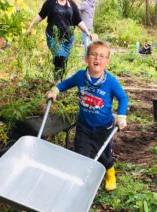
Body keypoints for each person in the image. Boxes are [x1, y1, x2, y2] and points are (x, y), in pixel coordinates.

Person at [46, 40, 128, 191]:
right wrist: (55, 90)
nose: (97, 59)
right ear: (86, 58)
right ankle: (79, 178)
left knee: (103, 155)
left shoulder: (110, 81)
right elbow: (66, 83)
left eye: (102, 56)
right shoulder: (80, 76)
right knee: (80, 153)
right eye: (94, 55)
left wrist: (121, 115)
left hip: (104, 127)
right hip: (84, 126)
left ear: (107, 62)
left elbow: (123, 98)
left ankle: (110, 173)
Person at [27, 0, 92, 81]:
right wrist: (30, 27)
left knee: (63, 61)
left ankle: (59, 82)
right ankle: (57, 82)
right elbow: (40, 16)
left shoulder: (72, 4)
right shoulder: (50, 3)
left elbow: (78, 21)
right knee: (60, 56)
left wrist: (87, 32)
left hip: (68, 40)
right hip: (53, 37)